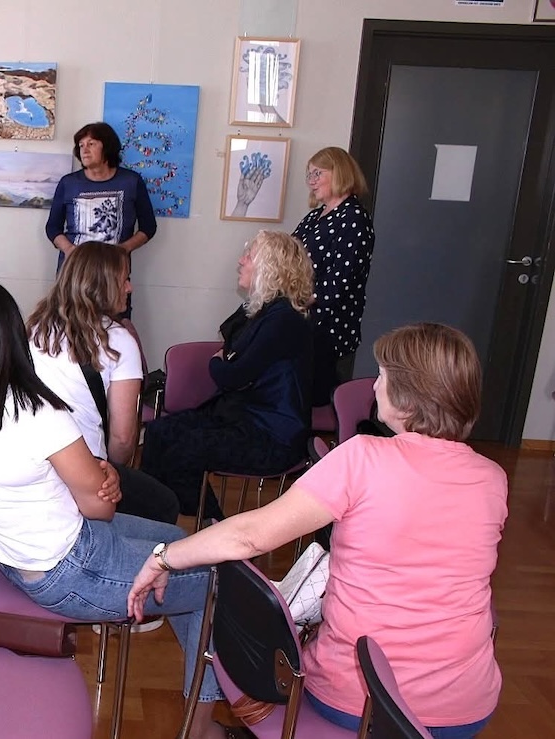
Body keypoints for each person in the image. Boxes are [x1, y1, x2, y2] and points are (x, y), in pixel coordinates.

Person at [128, 323, 503, 739]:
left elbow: (249, 536)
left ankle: (218, 729)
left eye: (382, 376)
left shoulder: (362, 457)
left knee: (233, 612)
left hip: (361, 701)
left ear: (410, 398)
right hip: (466, 708)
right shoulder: (493, 479)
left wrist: (162, 558)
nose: (374, 386)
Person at [0, 279, 225, 739]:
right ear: (12, 338)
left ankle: (202, 711)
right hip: (72, 566)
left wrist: (91, 480)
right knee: (216, 578)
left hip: (16, 558)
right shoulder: (37, 413)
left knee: (186, 546)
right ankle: (203, 728)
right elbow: (99, 510)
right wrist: (106, 479)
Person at [141, 230, 313, 519]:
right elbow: (231, 356)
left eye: (249, 256)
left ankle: (213, 525)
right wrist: (224, 362)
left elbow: (232, 375)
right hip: (242, 418)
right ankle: (152, 519)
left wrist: (217, 363)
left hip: (272, 435)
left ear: (269, 268)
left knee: (185, 450)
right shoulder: (263, 311)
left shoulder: (284, 319)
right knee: (158, 433)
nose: (241, 261)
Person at [27, 241, 179, 524]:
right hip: (87, 471)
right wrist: (114, 474)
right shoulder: (118, 342)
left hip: (36, 466)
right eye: (124, 279)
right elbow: (122, 439)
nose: (129, 288)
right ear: (102, 285)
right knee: (165, 504)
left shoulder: (36, 329)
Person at [291, 146, 375, 406]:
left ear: (339, 173)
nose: (311, 181)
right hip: (302, 319)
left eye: (318, 173)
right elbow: (288, 254)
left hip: (328, 327)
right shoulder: (315, 216)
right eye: (309, 175)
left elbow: (339, 280)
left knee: (319, 402)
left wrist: (297, 301)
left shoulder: (354, 218)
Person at [45, 122, 156, 274]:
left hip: (114, 269)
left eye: (91, 144)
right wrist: (69, 250)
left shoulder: (131, 181)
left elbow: (148, 227)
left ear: (107, 147)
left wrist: (124, 249)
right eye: (81, 145)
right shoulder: (68, 183)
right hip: (74, 269)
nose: (84, 150)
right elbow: (52, 227)